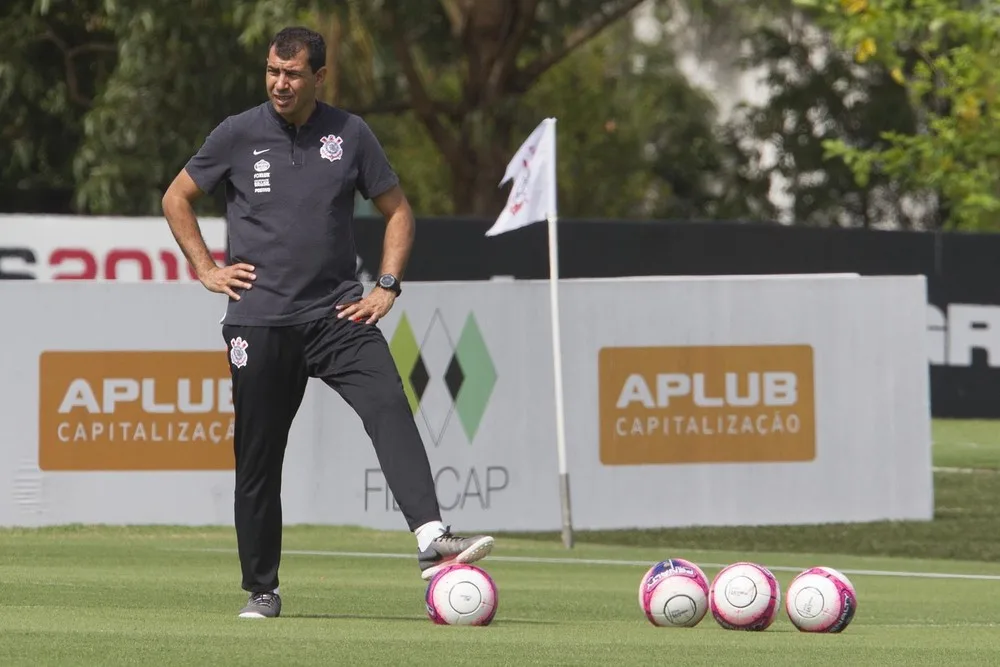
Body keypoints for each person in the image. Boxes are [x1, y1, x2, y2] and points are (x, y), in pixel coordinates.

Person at [161, 26, 494, 619]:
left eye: (292, 74)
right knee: (258, 458)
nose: (279, 84)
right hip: (260, 322)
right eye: (272, 72)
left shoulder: (351, 133)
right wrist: (207, 269)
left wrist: (386, 285)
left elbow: (398, 213)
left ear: (319, 77)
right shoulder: (238, 133)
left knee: (390, 405)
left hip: (338, 315)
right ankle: (262, 588)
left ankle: (430, 539)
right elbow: (176, 197)